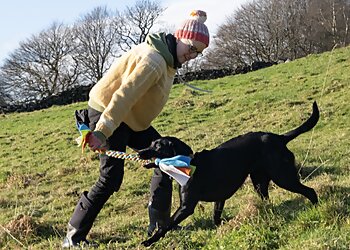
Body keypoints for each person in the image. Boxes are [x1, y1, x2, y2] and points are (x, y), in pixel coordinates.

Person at [62, 9, 210, 248]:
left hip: (132, 119)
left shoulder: (168, 58)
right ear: (179, 36)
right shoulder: (154, 61)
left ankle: (160, 224)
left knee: (167, 159)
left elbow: (132, 101)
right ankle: (73, 236)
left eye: (199, 52)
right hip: (109, 113)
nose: (193, 55)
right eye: (191, 48)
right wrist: (101, 132)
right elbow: (123, 97)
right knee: (111, 178)